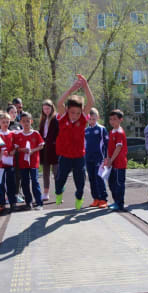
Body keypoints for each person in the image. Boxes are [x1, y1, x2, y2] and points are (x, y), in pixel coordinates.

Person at [55, 74, 94, 210]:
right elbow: (59, 103)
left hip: (78, 156)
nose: (75, 116)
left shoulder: (83, 118)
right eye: (73, 113)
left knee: (80, 182)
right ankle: (59, 191)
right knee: (60, 180)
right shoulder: (63, 116)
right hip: (65, 155)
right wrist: (71, 89)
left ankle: (79, 196)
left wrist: (85, 85)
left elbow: (90, 102)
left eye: (78, 113)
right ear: (67, 110)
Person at [15, 112, 45, 210]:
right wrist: (23, 150)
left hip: (33, 163)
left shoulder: (35, 133)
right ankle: (28, 202)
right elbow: (17, 148)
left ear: (31, 121)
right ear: (20, 123)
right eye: (23, 121)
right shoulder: (19, 135)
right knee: (25, 182)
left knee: (35, 181)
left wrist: (33, 150)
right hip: (23, 163)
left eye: (28, 121)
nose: (26, 123)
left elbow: (41, 146)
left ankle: (39, 203)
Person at [104, 109, 128, 210]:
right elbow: (110, 148)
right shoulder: (112, 132)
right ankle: (116, 201)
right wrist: (108, 159)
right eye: (110, 119)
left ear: (120, 120)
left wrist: (111, 160)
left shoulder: (119, 132)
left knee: (118, 184)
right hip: (112, 163)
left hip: (119, 163)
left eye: (115, 119)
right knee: (112, 183)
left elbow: (118, 148)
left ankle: (120, 203)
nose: (112, 121)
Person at [85, 107, 108, 208]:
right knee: (91, 179)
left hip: (99, 158)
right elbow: (83, 145)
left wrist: (106, 158)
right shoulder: (85, 131)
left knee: (99, 178)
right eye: (90, 119)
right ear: (87, 119)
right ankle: (96, 199)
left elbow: (107, 144)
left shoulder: (102, 129)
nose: (92, 121)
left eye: (94, 119)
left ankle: (103, 199)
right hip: (88, 158)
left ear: (97, 117)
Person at [38, 99, 59, 201]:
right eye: (44, 108)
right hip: (44, 148)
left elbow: (59, 133)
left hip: (54, 148)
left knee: (56, 172)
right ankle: (46, 193)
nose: (46, 110)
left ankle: (59, 193)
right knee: (45, 172)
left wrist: (55, 142)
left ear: (52, 108)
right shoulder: (42, 120)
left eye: (48, 108)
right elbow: (40, 133)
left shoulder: (56, 119)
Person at [0, 112, 17, 210]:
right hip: (0, 162)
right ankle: (1, 203)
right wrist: (3, 152)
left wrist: (13, 151)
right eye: (3, 122)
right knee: (0, 183)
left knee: (11, 183)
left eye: (7, 122)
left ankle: (13, 202)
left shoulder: (12, 134)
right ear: (0, 123)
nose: (5, 124)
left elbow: (15, 145)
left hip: (10, 162)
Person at [6, 103, 24, 203]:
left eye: (15, 112)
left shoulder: (18, 125)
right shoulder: (6, 124)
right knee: (9, 176)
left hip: (18, 154)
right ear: (7, 113)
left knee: (19, 175)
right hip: (9, 155)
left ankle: (17, 193)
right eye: (12, 112)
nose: (14, 114)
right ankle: (9, 196)